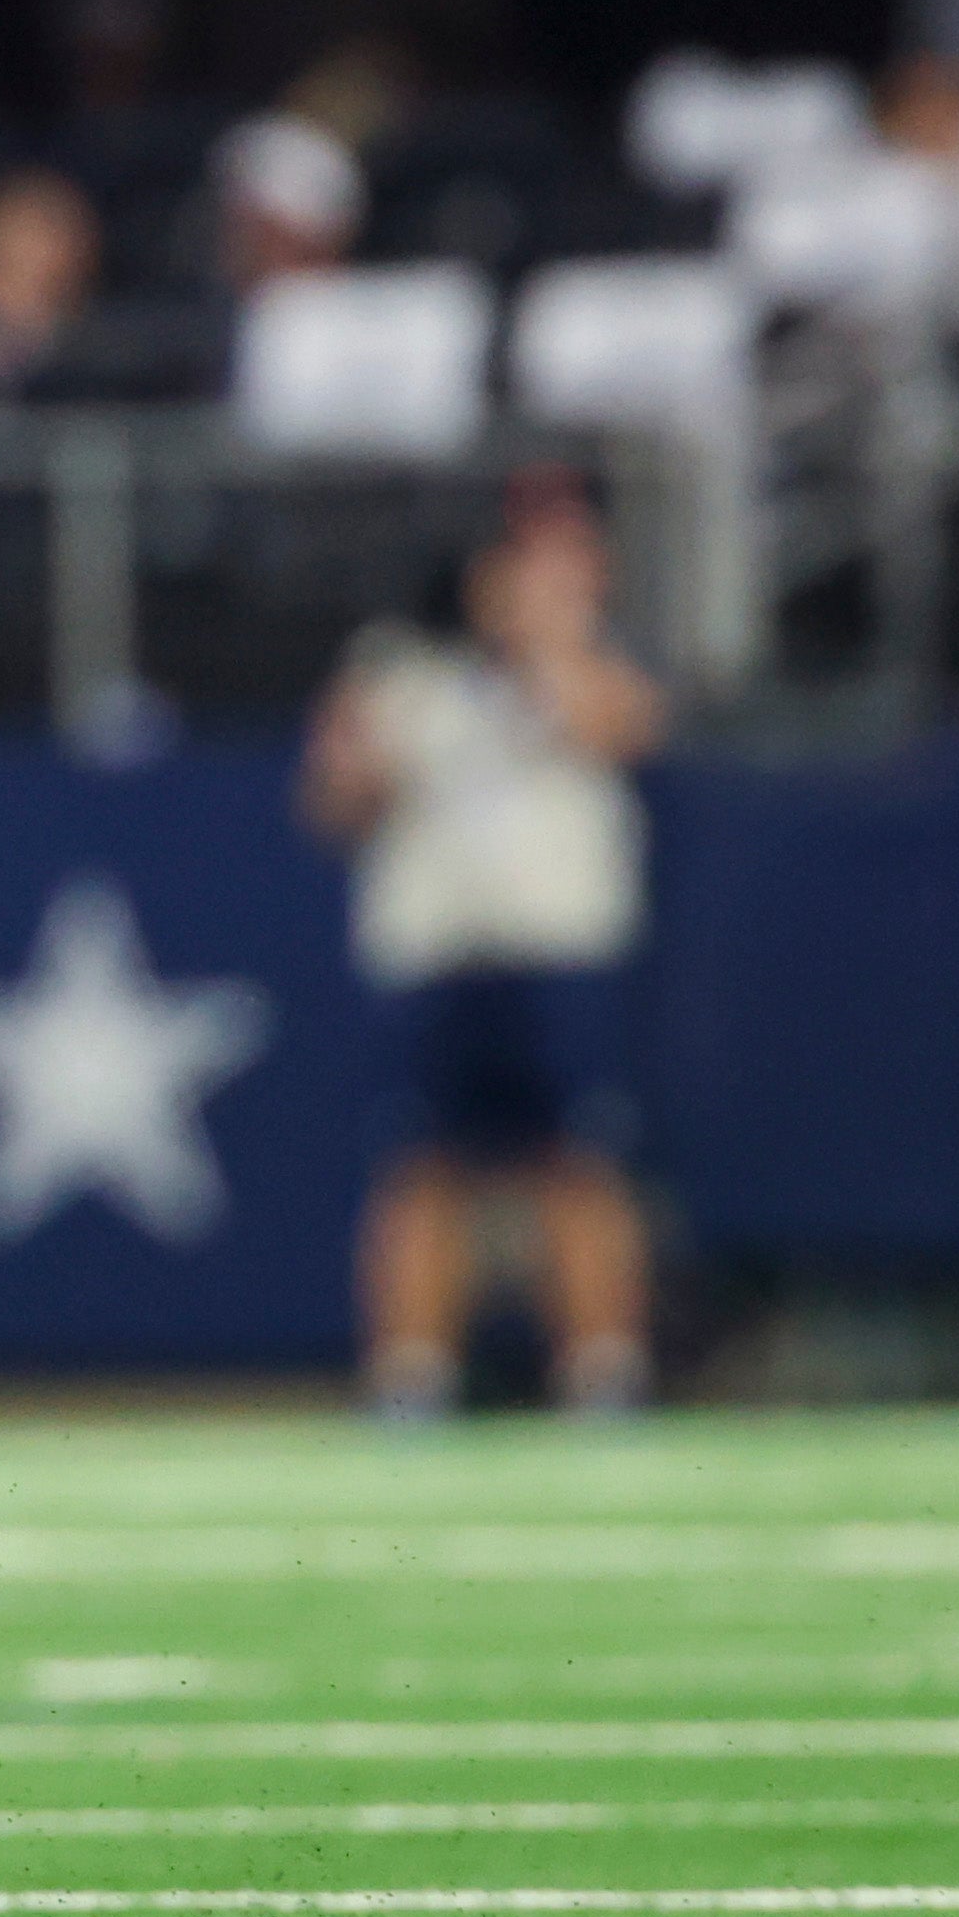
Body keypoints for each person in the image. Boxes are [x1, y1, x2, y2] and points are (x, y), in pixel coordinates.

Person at [299, 472, 664, 1419]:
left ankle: (603, 1372)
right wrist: (364, 755)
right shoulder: (398, 669)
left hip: (558, 950)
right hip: (433, 953)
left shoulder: (593, 656)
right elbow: (331, 803)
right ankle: (412, 1377)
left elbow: (620, 728)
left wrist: (543, 641)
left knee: (579, 1161)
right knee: (421, 1169)